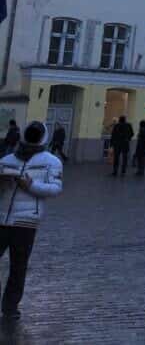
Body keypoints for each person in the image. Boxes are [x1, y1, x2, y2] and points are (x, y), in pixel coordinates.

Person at [0, 122, 63, 321]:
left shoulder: (51, 162)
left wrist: (31, 185)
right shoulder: (7, 159)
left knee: (18, 267)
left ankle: (10, 307)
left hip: (26, 221)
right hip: (1, 218)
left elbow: (55, 189)